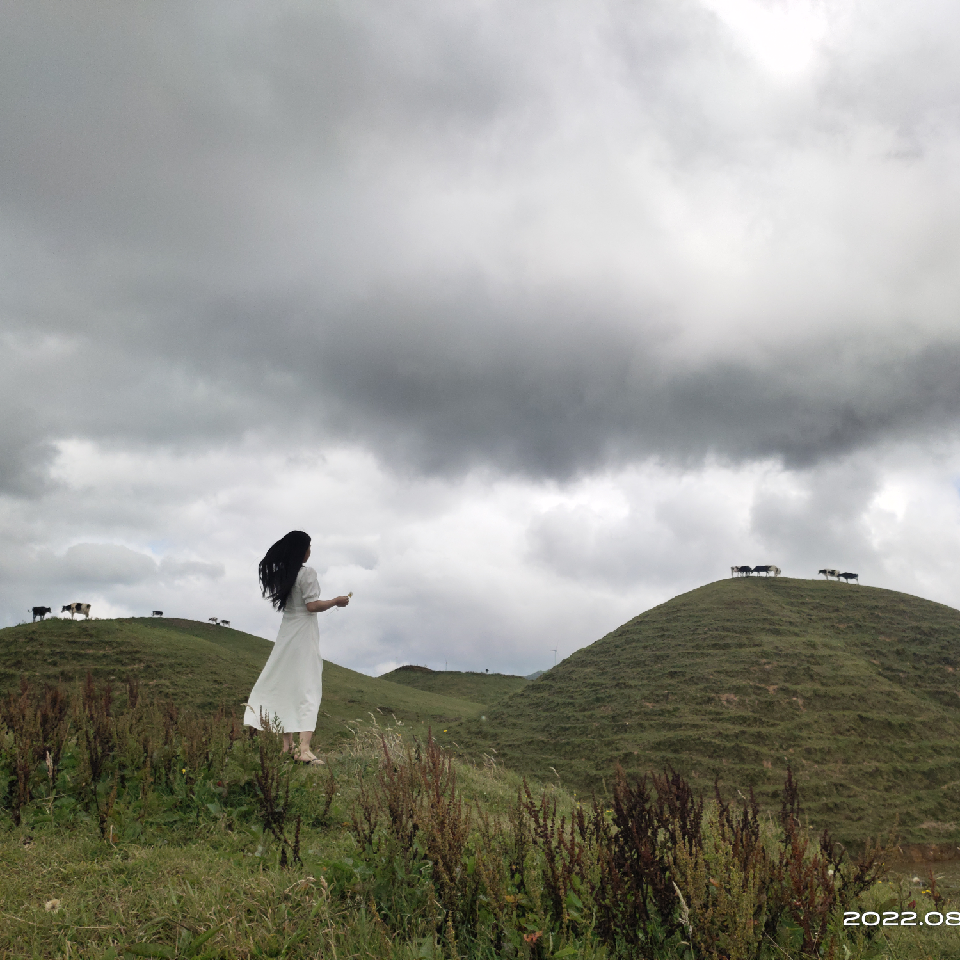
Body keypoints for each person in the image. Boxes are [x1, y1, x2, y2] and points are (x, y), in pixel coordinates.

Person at [243, 530, 350, 764]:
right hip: (303, 634)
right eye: (308, 547)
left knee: (287, 686)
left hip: (286, 633)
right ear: (301, 550)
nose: (310, 552)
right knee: (308, 687)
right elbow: (311, 606)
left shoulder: (285, 574)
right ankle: (304, 750)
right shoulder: (307, 573)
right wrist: (336, 601)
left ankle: (287, 747)